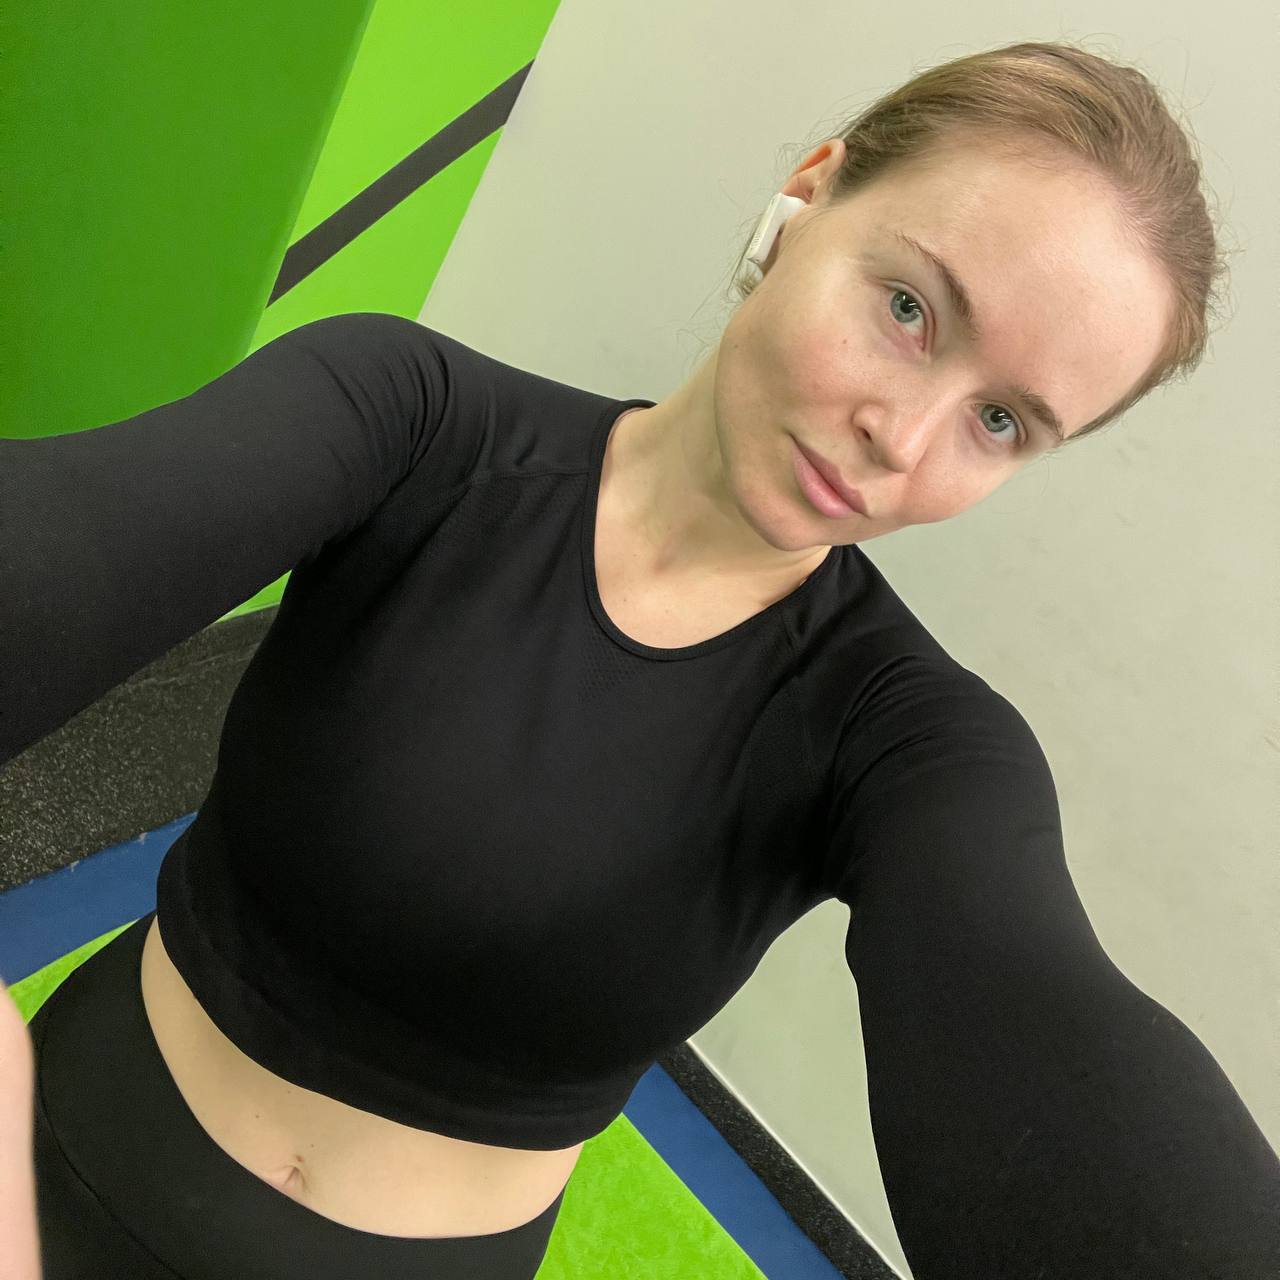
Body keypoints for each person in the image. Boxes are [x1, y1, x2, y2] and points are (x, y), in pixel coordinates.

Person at [2, 37, 1277, 1280]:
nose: (901, 439)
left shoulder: (905, 737)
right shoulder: (411, 419)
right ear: (807, 197)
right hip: (42, 1153)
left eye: (997, 422)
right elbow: (64, 549)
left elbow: (1040, 1033)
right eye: (907, 310)